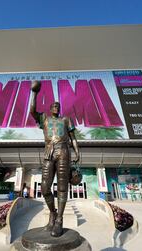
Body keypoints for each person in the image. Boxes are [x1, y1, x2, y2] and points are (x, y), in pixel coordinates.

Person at [30, 80, 80, 237]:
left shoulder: (66, 120)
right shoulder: (44, 118)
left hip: (63, 151)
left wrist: (78, 152)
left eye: (58, 106)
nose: (56, 107)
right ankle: (53, 213)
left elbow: (72, 137)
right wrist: (34, 93)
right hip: (48, 151)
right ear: (50, 108)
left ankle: (59, 220)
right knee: (45, 188)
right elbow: (32, 111)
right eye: (54, 105)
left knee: (62, 187)